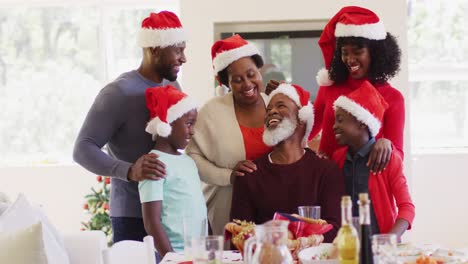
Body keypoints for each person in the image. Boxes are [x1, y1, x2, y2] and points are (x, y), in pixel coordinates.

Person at [73, 11, 188, 243]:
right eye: (178, 50)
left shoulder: (173, 84)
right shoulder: (118, 93)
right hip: (132, 216)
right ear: (155, 49)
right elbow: (82, 149)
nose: (183, 58)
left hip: (169, 212)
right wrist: (129, 170)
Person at [230, 83, 345, 242]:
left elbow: (336, 230)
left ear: (301, 119)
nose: (272, 112)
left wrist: (288, 239)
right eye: (268, 109)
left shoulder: (326, 171)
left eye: (281, 106)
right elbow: (238, 238)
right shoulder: (249, 174)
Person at [186, 34, 272, 236]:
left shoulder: (277, 105)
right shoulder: (211, 112)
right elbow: (192, 158)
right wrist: (228, 176)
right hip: (228, 208)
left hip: (273, 207)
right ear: (226, 84)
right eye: (237, 80)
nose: (247, 84)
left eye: (251, 74)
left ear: (260, 71)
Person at [313, 6, 404, 172]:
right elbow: (305, 132)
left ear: (375, 53)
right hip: (328, 183)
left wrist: (387, 144)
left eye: (357, 51)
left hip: (368, 187)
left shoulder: (393, 97)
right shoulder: (329, 89)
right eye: (344, 52)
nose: (349, 59)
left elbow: (398, 156)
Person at [331, 80, 415, 239]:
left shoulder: (389, 159)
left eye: (340, 120)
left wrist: (389, 240)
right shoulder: (338, 158)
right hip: (348, 246)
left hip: (381, 250)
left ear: (362, 123)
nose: (334, 126)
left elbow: (407, 208)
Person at [139, 85, 207, 259]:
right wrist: (171, 258)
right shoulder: (154, 163)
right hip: (172, 255)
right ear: (167, 123)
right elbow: (151, 222)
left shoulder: (188, 161)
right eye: (189, 123)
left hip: (197, 254)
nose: (192, 131)